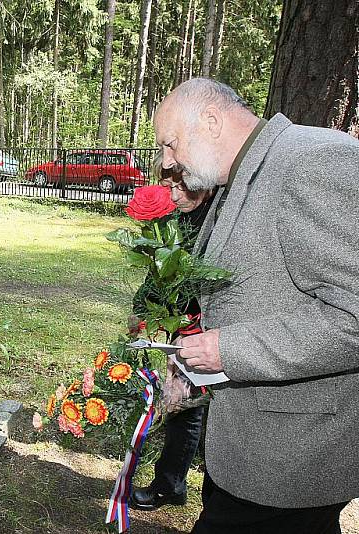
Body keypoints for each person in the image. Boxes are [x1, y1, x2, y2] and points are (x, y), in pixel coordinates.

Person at [154, 77, 359, 533]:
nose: (166, 161)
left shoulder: (313, 161)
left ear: (210, 120)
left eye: (169, 144)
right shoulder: (242, 175)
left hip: (293, 459)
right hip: (249, 450)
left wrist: (228, 350)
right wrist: (192, 365)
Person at [130, 155, 216, 511]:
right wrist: (141, 308)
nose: (175, 194)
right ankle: (173, 483)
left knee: (189, 408)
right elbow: (158, 271)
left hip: (205, 331)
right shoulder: (175, 219)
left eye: (183, 185)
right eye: (169, 186)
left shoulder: (218, 219)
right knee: (182, 407)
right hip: (177, 325)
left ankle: (170, 486)